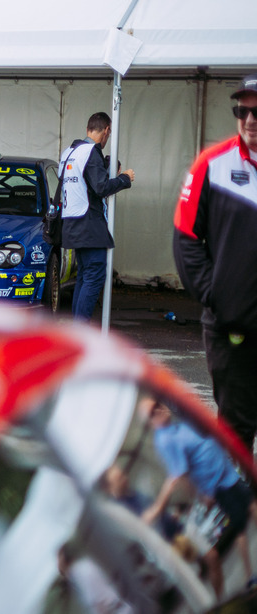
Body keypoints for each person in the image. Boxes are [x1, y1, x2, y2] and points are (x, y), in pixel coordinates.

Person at [173, 73, 257, 456]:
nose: (250, 121)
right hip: (231, 327)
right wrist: (216, 294)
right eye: (242, 111)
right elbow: (185, 239)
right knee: (235, 429)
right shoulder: (212, 164)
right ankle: (231, 508)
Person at [138, 397, 255, 598]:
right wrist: (201, 494)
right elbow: (179, 475)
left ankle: (247, 577)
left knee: (250, 509)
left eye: (158, 404)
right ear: (149, 423)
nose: (159, 410)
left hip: (226, 473)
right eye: (152, 412)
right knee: (241, 525)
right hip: (217, 484)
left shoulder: (177, 424)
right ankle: (248, 576)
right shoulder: (165, 440)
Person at [60, 112, 135, 321]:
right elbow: (100, 187)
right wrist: (124, 178)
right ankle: (80, 331)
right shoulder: (91, 152)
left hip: (71, 223)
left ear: (87, 129)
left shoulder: (69, 152)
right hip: (88, 224)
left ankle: (77, 330)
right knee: (94, 276)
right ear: (107, 131)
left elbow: (84, 185)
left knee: (84, 276)